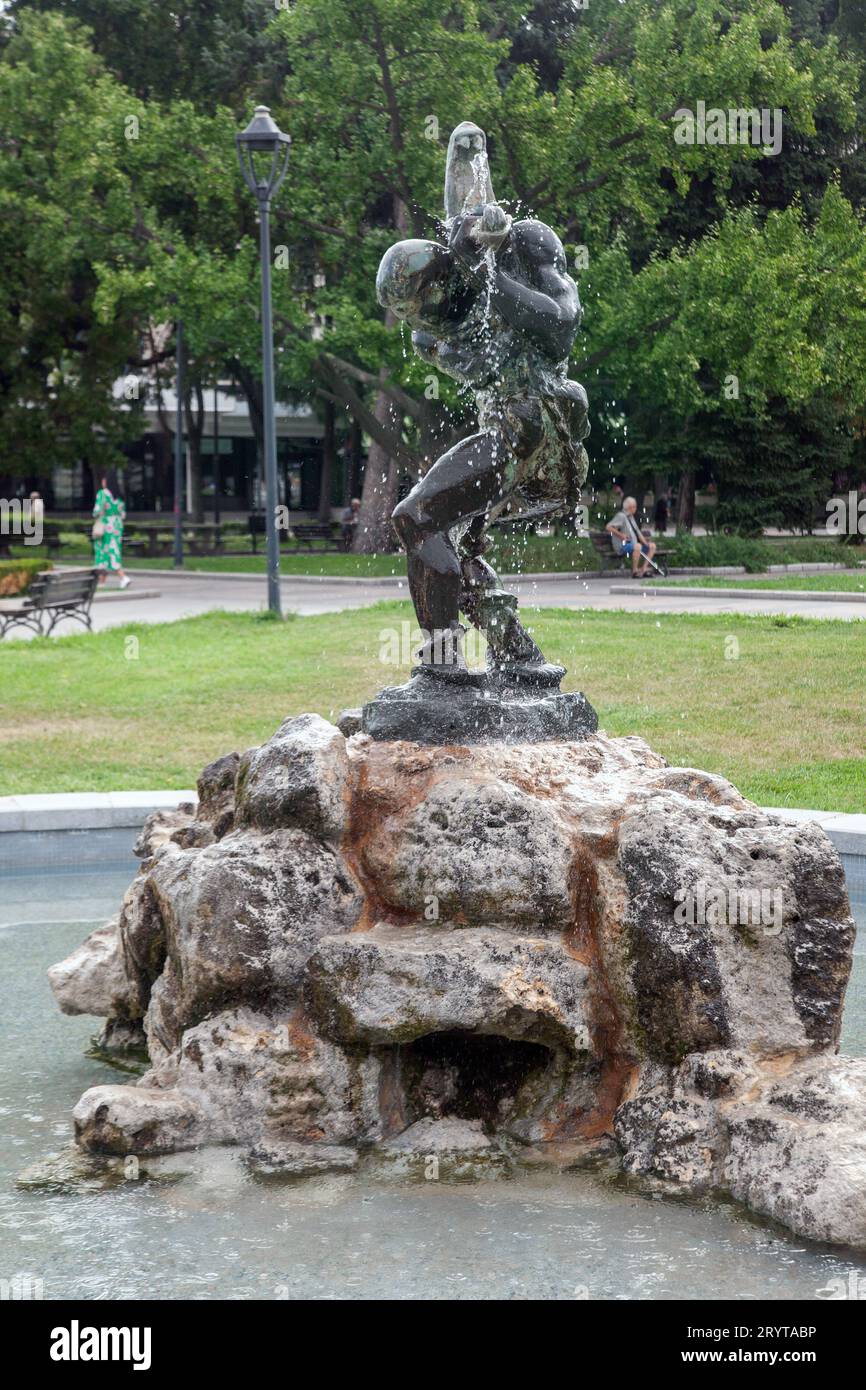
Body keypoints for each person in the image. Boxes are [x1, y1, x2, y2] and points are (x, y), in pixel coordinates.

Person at [378, 121, 589, 676]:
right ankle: (518, 657)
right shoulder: (434, 334)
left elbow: (564, 323)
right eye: (411, 316)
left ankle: (446, 664)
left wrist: (496, 284)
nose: (424, 324)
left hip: (536, 426)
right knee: (445, 540)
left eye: (427, 304)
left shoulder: (525, 244)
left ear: (440, 277)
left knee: (415, 518)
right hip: (508, 427)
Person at [92, 477, 131, 588]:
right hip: (117, 526)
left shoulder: (102, 494)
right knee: (113, 549)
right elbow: (123, 514)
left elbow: (96, 511)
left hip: (105, 526)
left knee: (104, 552)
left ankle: (123, 577)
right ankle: (102, 581)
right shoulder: (119, 496)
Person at [606, 495, 657, 577]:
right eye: (635, 507)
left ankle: (643, 570)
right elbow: (608, 527)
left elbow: (637, 531)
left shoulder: (630, 517)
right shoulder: (621, 516)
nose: (636, 509)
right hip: (622, 546)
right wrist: (621, 535)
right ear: (630, 507)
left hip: (633, 545)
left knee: (652, 546)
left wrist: (646, 543)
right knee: (637, 546)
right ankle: (634, 571)